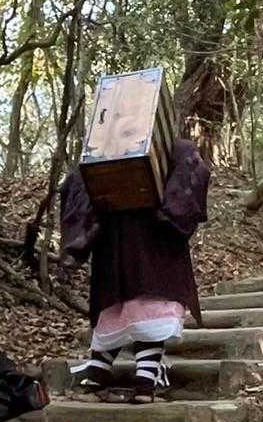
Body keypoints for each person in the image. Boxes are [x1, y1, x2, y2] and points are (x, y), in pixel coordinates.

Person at [60, 138, 210, 402]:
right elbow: (191, 181)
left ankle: (114, 378)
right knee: (137, 307)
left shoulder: (108, 149)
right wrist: (171, 216)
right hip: (142, 241)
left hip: (131, 241)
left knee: (132, 307)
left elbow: (77, 186)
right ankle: (131, 381)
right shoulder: (172, 148)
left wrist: (81, 238)